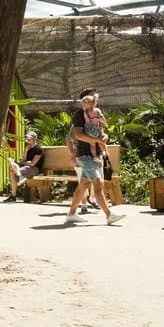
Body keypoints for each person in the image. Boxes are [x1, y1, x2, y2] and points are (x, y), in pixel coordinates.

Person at [66, 89, 124, 226]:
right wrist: (95, 141)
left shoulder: (96, 113)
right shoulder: (80, 115)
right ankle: (109, 215)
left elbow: (102, 131)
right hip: (85, 155)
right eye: (91, 97)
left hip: (95, 155)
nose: (93, 100)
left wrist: (104, 137)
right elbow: (78, 135)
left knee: (83, 185)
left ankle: (71, 214)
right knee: (98, 183)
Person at [4, 131, 43, 202]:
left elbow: (33, 164)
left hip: (34, 169)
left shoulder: (38, 149)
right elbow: (23, 161)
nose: (27, 140)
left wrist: (26, 163)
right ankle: (19, 176)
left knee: (12, 172)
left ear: (34, 139)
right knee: (10, 161)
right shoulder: (27, 148)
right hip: (25, 167)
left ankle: (13, 196)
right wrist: (25, 151)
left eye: (29, 138)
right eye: (27, 138)